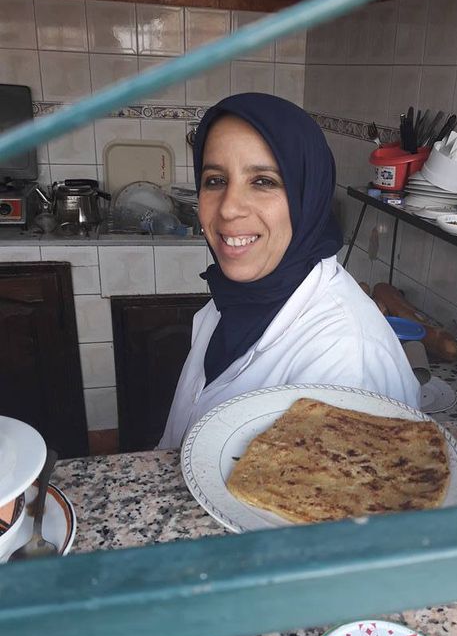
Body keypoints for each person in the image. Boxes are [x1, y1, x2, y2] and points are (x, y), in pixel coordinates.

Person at [158, 93, 419, 449]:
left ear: (307, 197)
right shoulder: (240, 299)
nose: (229, 209)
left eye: (263, 181)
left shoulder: (344, 361)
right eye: (215, 180)